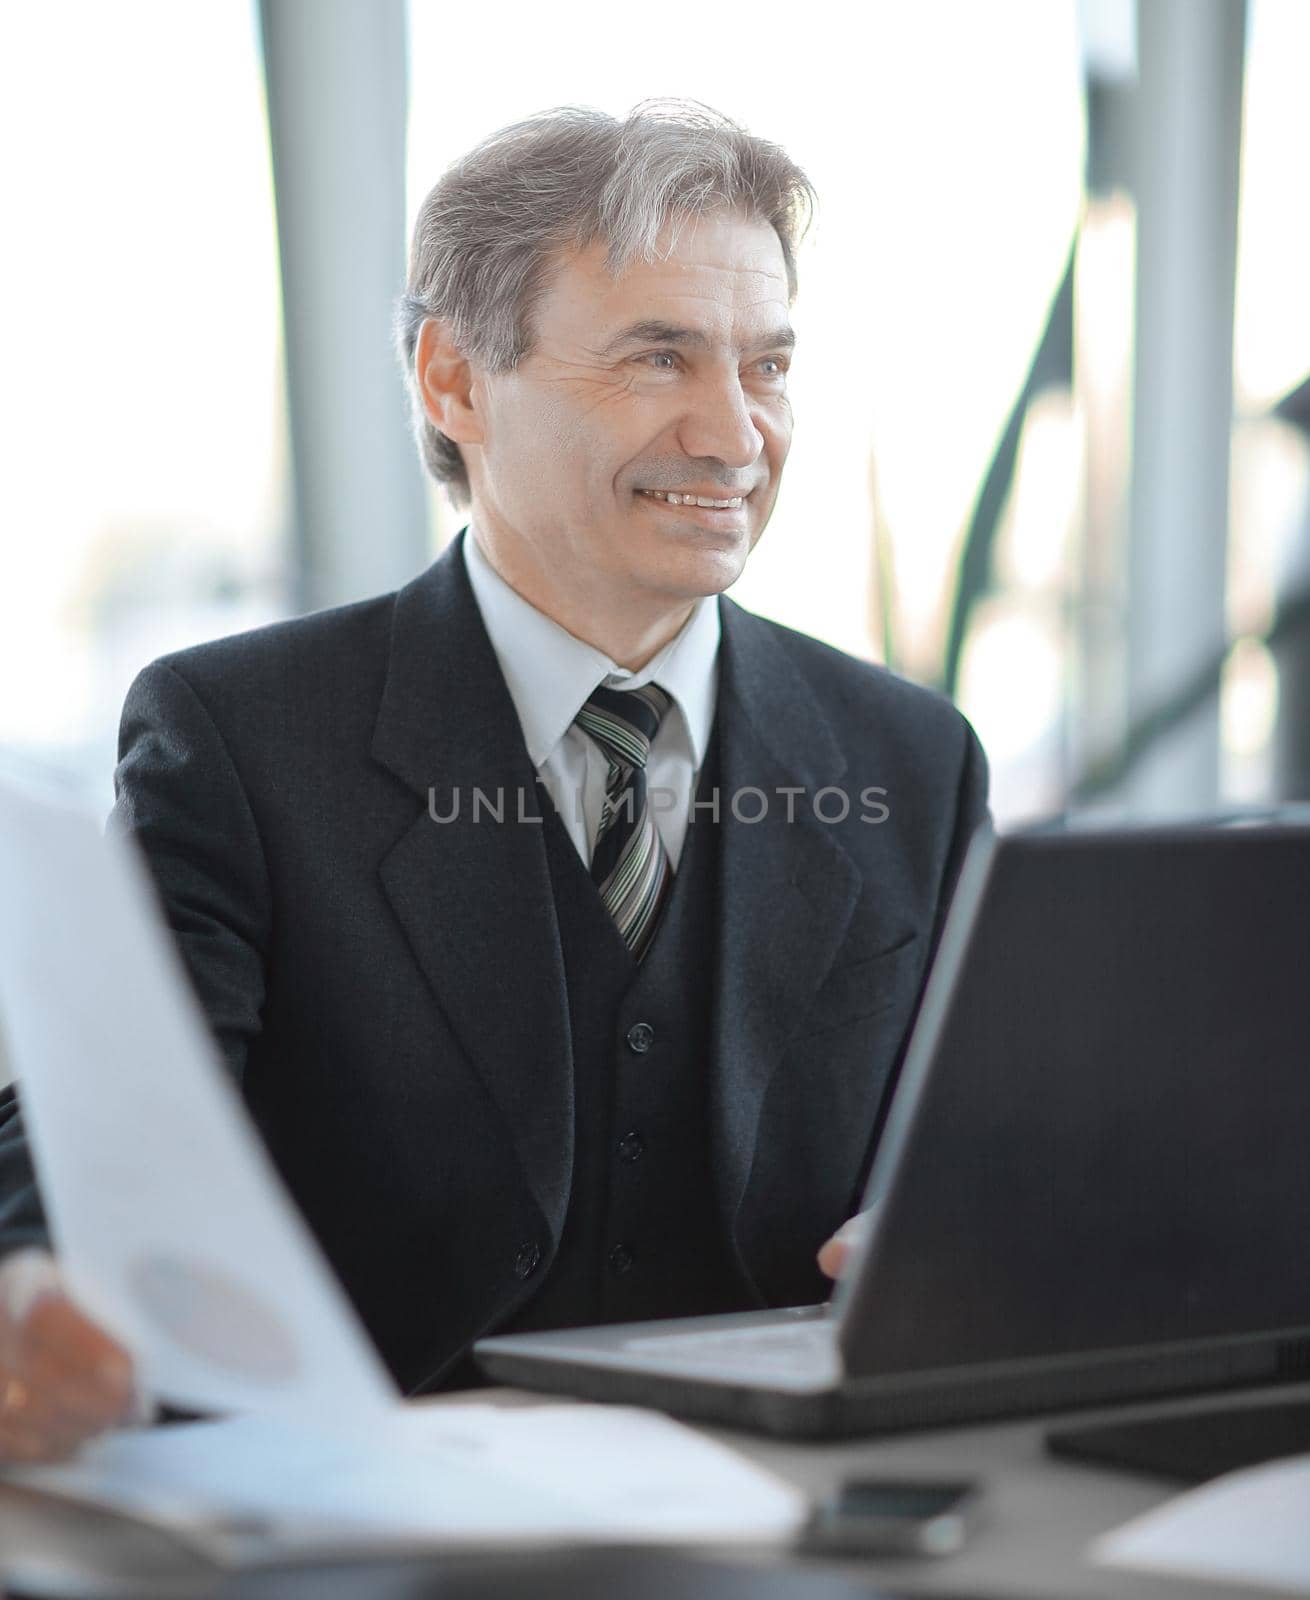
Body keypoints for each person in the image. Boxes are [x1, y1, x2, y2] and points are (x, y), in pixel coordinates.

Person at [0, 99, 989, 1463]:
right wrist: (32, 1285)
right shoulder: (236, 733)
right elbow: (104, 1132)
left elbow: (980, 1145)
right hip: (371, 1498)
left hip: (795, 1507)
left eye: (765, 367)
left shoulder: (908, 755)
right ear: (454, 381)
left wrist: (955, 1232)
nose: (732, 434)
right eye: (659, 358)